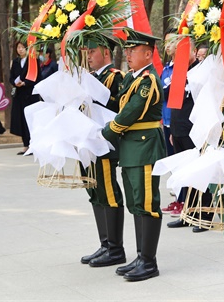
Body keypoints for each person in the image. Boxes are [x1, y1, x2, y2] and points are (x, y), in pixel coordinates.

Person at [102, 31, 166, 282]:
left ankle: (149, 261)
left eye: (133, 50)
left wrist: (108, 130)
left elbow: (130, 112)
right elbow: (116, 102)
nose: (127, 54)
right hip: (131, 148)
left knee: (147, 203)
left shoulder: (148, 80)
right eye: (126, 50)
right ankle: (141, 256)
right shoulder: (131, 77)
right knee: (136, 203)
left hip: (144, 147)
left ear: (148, 53)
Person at [80, 40, 126, 268]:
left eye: (92, 51)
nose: (88, 56)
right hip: (88, 143)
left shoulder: (115, 76)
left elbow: (118, 107)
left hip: (105, 143)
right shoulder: (89, 78)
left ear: (106, 52)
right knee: (95, 191)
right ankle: (105, 243)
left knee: (108, 192)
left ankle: (116, 248)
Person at [165, 40, 213, 233]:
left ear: (193, 51)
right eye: (175, 52)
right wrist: (173, 131)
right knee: (186, 174)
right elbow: (175, 103)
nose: (178, 55)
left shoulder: (200, 71)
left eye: (182, 51)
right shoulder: (178, 71)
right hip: (179, 129)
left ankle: (205, 215)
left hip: (195, 129)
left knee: (199, 174)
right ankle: (189, 213)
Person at [10, 40, 40, 154]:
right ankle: (25, 145)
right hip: (19, 95)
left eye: (22, 47)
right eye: (18, 47)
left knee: (31, 120)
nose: (20, 49)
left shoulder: (33, 61)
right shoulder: (16, 61)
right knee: (21, 120)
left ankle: (33, 144)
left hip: (30, 95)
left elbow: (37, 77)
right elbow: (11, 76)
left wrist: (25, 83)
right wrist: (14, 83)